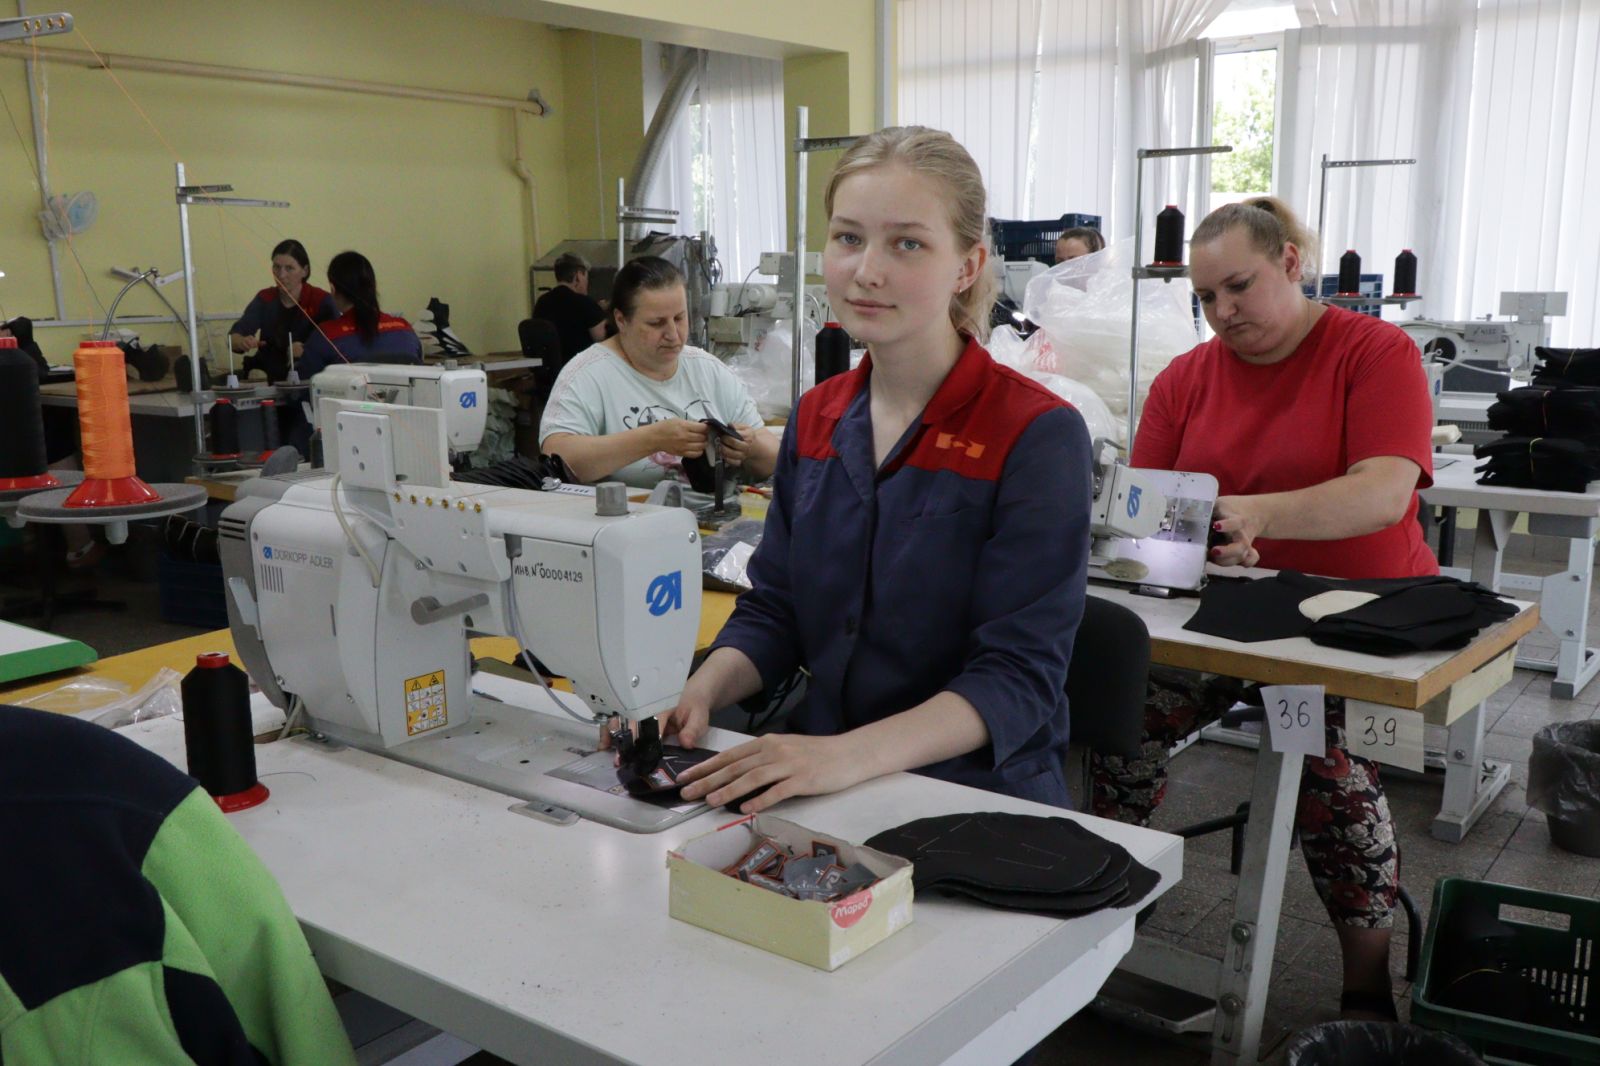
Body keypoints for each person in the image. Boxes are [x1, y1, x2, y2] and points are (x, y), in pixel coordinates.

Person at [646, 126, 1093, 813]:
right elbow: (778, 611)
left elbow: (1017, 677)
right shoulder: (818, 418)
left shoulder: (1035, 436)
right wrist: (699, 689)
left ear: (968, 266)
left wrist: (841, 756)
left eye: (907, 244)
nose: (867, 270)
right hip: (821, 772)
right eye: (849, 238)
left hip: (975, 794)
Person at [1092, 196, 1435, 1020]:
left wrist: (1258, 515)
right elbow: (1151, 511)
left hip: (1348, 620)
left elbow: (1384, 494)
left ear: (1290, 261)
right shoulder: (1185, 378)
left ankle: (1365, 984)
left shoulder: (1374, 352)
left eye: (1238, 286)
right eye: (1205, 298)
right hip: (1228, 613)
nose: (1222, 313)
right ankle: (1105, 922)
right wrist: (1207, 541)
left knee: (1322, 766)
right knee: (1117, 723)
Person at [539, 256, 778, 488]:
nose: (673, 334)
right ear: (621, 320)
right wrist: (652, 439)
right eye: (656, 323)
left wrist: (750, 447)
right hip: (630, 522)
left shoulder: (709, 370)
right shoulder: (587, 374)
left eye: (679, 318)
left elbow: (776, 459)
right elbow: (557, 457)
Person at [296, 250, 422, 378]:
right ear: (373, 286)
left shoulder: (325, 336)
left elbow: (304, 388)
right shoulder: (405, 328)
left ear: (333, 289)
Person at [228, 239, 337, 371]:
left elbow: (337, 345)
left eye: (289, 268)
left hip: (310, 375)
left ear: (305, 270)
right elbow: (233, 337)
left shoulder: (321, 300)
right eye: (276, 267)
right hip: (268, 375)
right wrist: (240, 341)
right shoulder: (265, 298)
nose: (281, 275)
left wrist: (307, 349)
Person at [533, 252, 608, 364]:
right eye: (586, 277)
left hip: (549, 375)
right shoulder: (584, 303)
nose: (587, 282)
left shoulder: (541, 302)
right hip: (580, 373)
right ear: (577, 276)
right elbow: (605, 340)